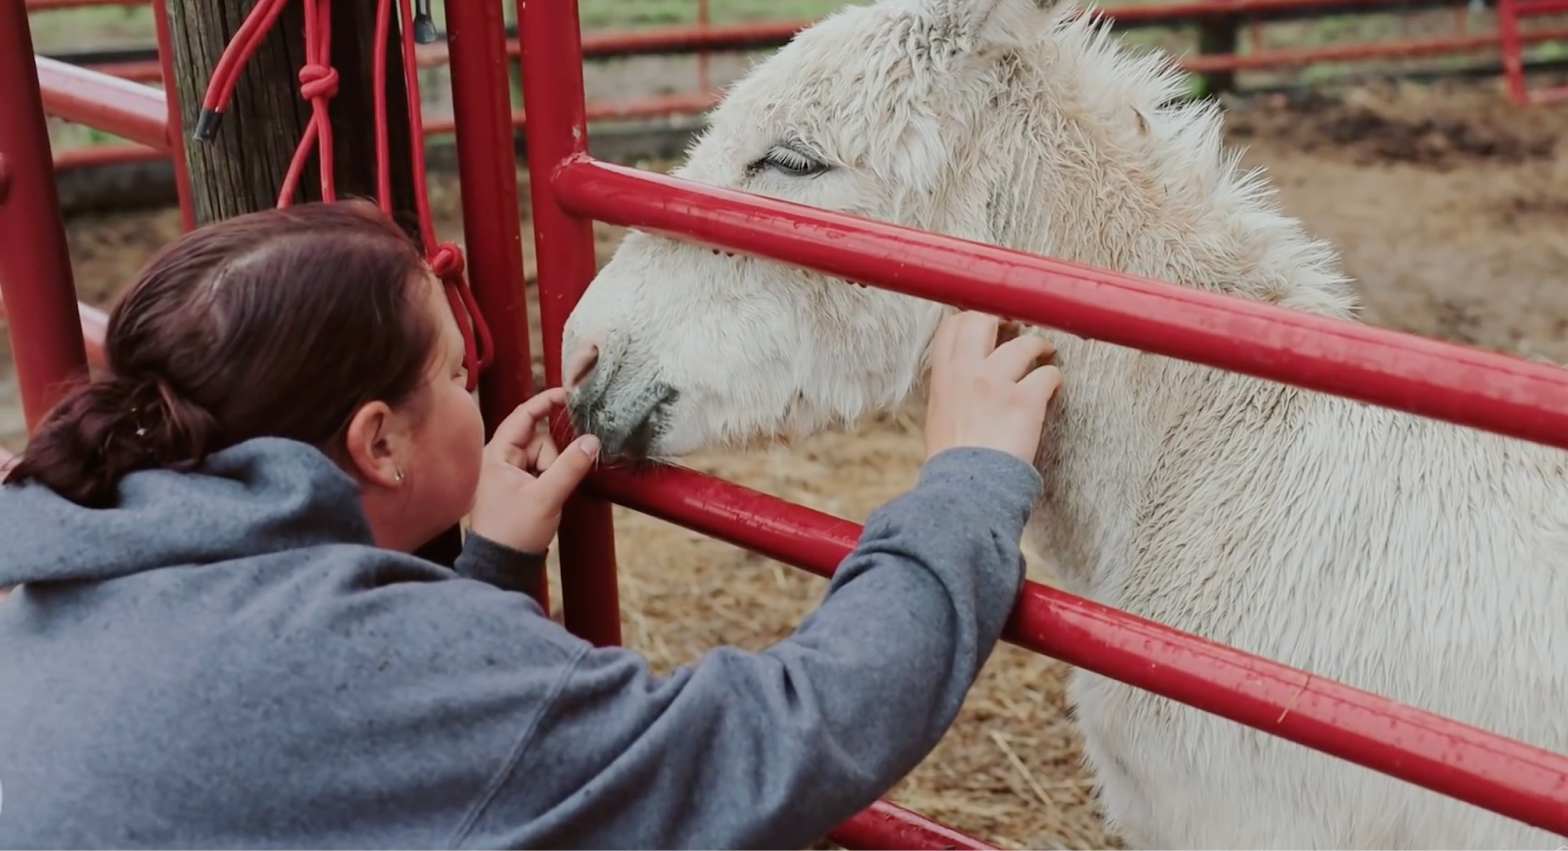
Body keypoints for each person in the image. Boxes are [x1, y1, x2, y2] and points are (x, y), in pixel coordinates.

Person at [0, 199, 1063, 851]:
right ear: (379, 444)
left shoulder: (77, 567)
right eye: (456, 375)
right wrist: (962, 483)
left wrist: (491, 567)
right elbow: (769, 741)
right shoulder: (362, 657)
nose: (479, 388)